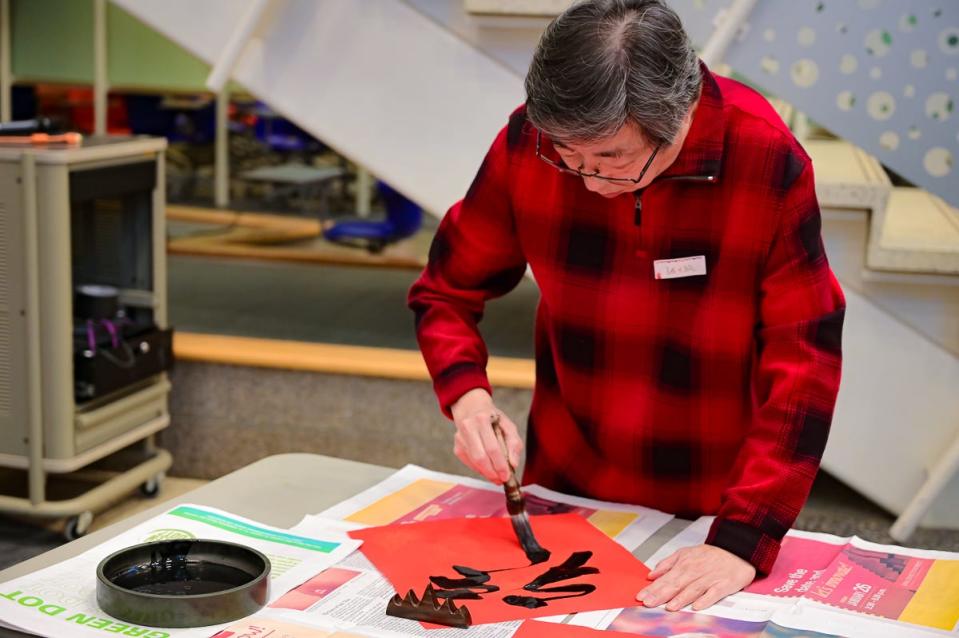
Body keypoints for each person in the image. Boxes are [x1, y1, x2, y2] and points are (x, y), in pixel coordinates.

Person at [408, 0, 844, 612]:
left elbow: (806, 359)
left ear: (678, 116)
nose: (588, 182)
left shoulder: (763, 159)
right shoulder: (529, 142)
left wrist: (744, 537)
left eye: (612, 158)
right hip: (566, 480)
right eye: (567, 155)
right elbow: (446, 288)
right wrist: (467, 397)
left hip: (713, 498)